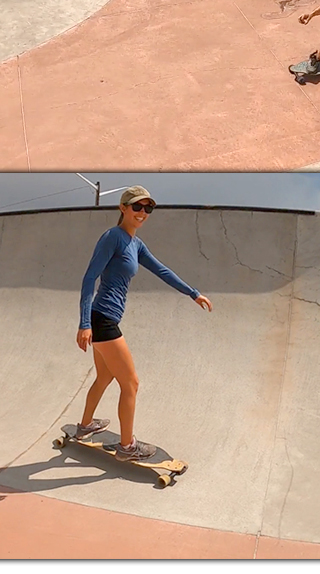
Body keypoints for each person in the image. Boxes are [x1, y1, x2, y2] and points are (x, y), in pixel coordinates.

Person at [76, 186, 213, 460]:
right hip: (101, 320)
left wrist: (193, 293)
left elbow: (162, 270)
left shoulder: (135, 244)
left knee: (105, 376)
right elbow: (89, 277)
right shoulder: (113, 237)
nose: (142, 213)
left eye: (148, 209)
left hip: (104, 319)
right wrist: (84, 323)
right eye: (137, 207)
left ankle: (85, 426)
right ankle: (127, 447)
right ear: (123, 208)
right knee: (131, 384)